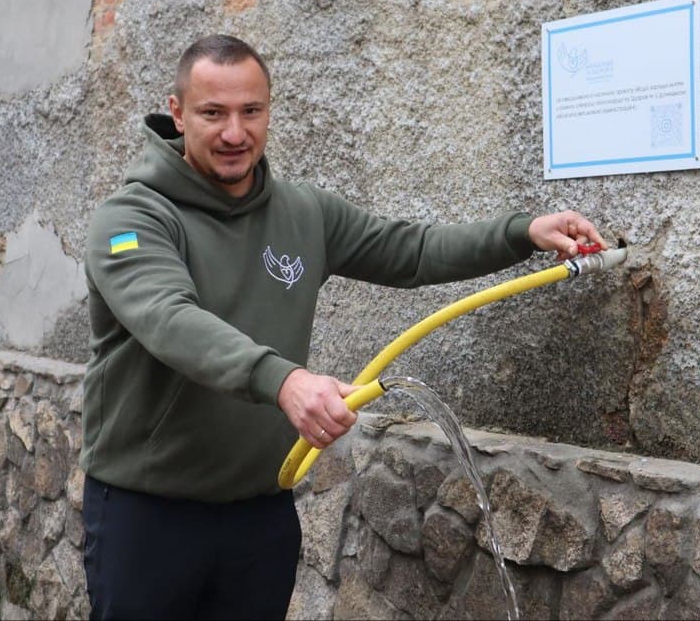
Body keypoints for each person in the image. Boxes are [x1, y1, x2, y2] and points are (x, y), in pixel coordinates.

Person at [80, 34, 607, 620]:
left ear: (269, 110)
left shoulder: (303, 212)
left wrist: (522, 232)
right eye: (213, 113)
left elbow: (412, 250)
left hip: (259, 513)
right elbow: (169, 319)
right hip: (148, 518)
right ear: (178, 114)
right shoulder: (131, 218)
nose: (235, 133)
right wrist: (284, 381)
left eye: (251, 111)